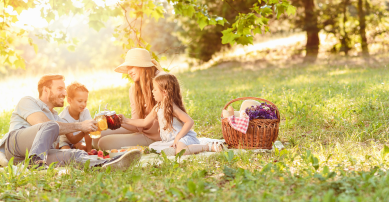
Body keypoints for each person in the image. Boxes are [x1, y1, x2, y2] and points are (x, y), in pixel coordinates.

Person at [0, 74, 141, 170]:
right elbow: (41, 124)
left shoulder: (57, 118)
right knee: (51, 125)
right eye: (60, 88)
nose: (65, 93)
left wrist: (88, 128)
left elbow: (69, 138)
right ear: (46, 90)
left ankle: (108, 163)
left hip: (33, 157)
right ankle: (36, 163)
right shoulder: (28, 101)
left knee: (74, 155)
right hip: (14, 146)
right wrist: (80, 125)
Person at [119, 74, 223, 155]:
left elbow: (189, 121)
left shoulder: (171, 107)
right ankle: (177, 148)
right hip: (171, 141)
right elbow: (144, 122)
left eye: (155, 89)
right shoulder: (158, 107)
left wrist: (178, 139)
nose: (152, 91)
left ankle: (207, 146)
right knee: (153, 147)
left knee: (180, 152)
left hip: (183, 138)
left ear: (164, 92)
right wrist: (126, 120)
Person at [95, 48, 166, 150]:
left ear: (143, 65)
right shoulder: (134, 89)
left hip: (159, 136)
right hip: (143, 129)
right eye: (128, 68)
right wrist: (121, 121)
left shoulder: (161, 80)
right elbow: (137, 126)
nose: (129, 72)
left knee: (104, 143)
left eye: (132, 67)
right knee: (98, 135)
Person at [58, 82, 92, 152]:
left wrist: (89, 151)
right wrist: (84, 130)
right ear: (69, 100)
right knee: (67, 153)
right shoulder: (63, 117)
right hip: (65, 142)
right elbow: (72, 139)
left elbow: (88, 133)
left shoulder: (85, 112)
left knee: (83, 149)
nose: (83, 104)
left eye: (85, 101)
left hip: (79, 141)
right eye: (80, 101)